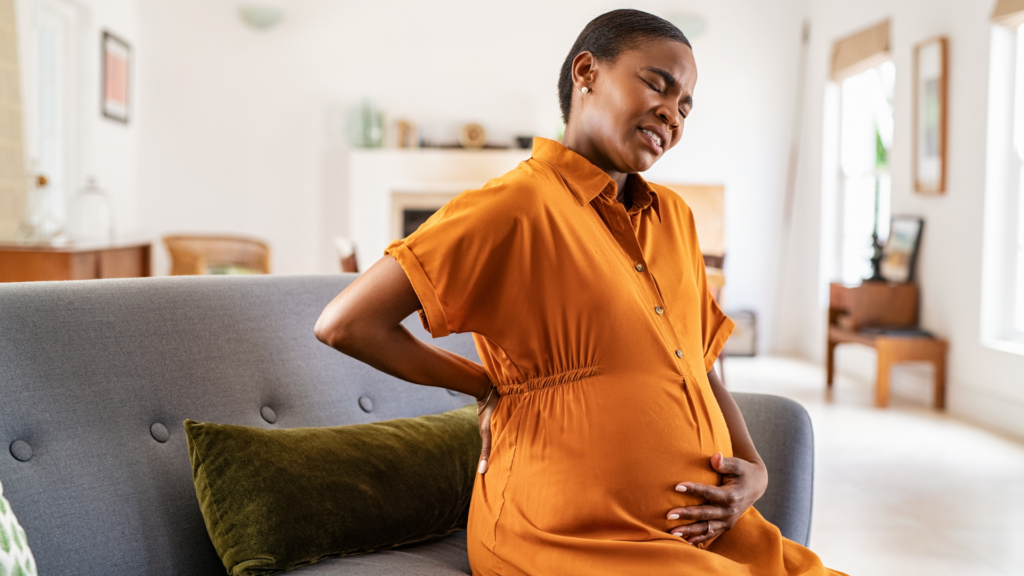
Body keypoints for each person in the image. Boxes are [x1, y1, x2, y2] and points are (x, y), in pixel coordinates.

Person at [315, 9, 844, 576]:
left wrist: (754, 467)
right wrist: (484, 386)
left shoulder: (676, 218)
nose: (673, 112)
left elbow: (699, 361)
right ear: (586, 71)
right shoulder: (512, 206)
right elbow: (346, 322)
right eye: (657, 84)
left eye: (686, 104)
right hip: (566, 534)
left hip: (704, 535)